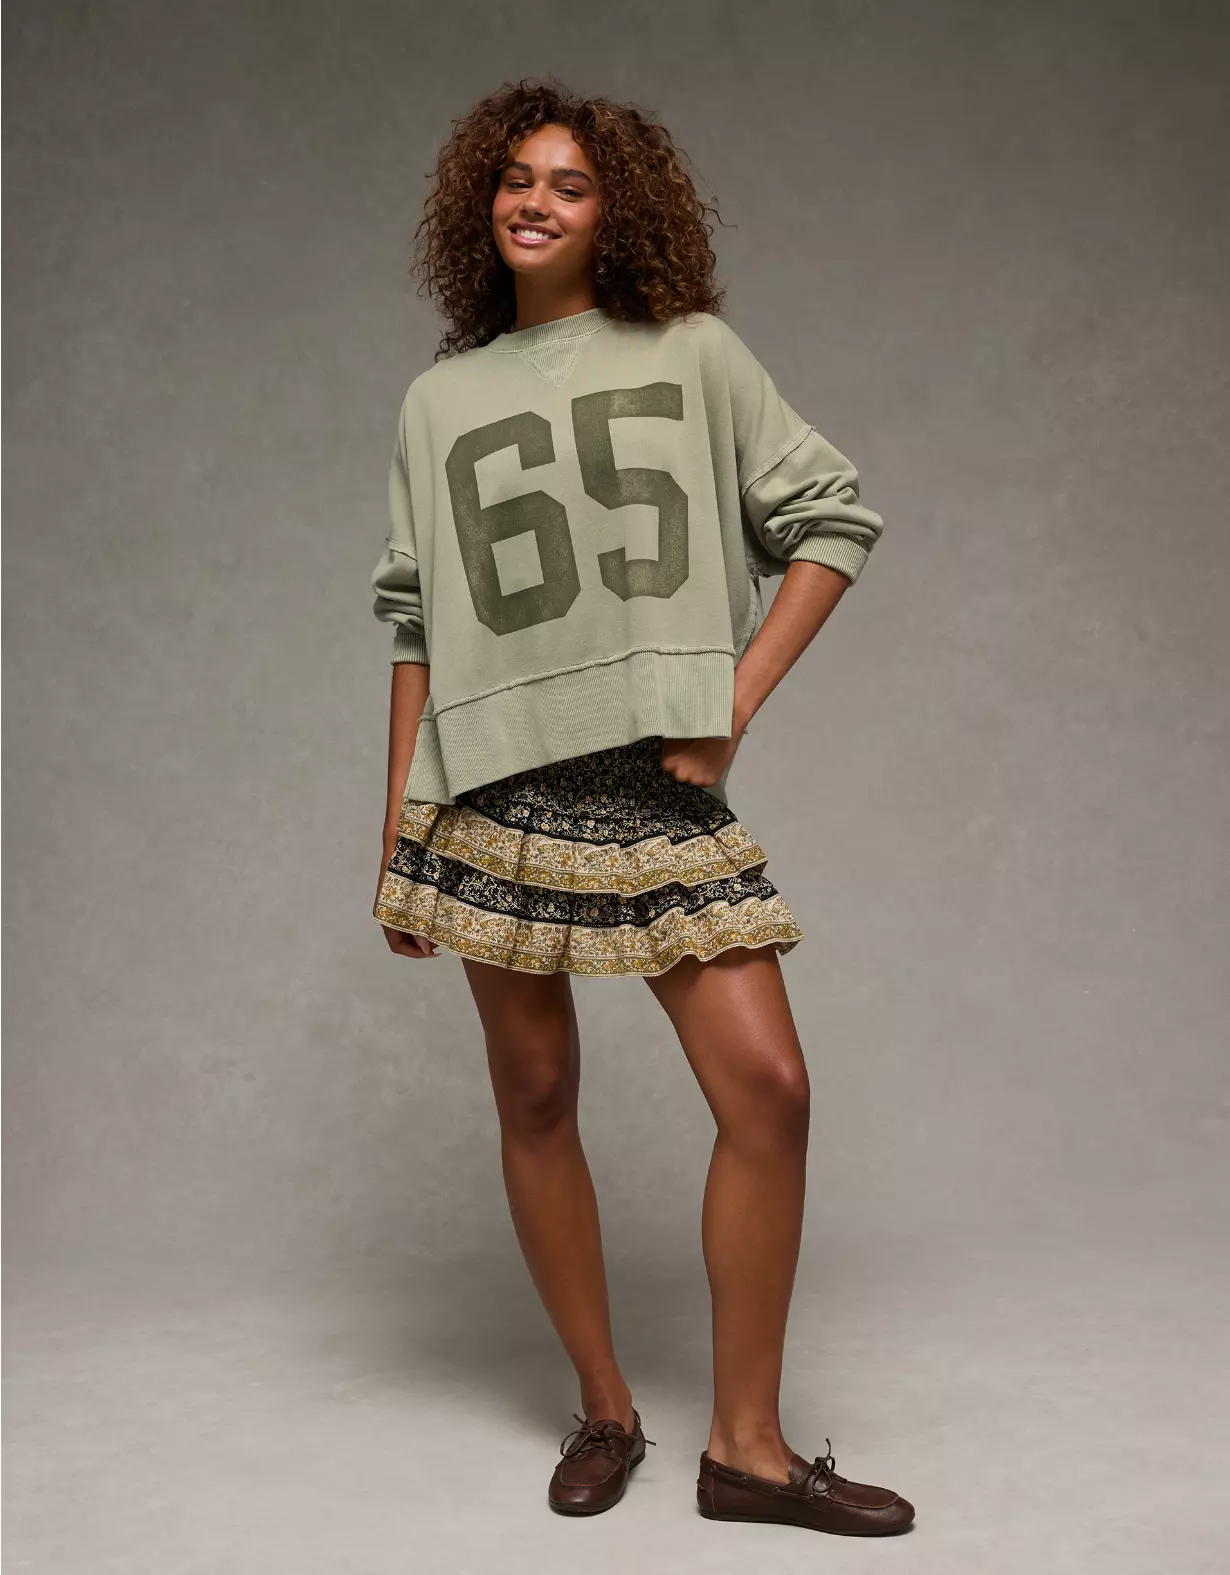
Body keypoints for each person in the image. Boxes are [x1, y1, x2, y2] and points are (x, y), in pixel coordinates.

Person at [370, 77, 914, 1537]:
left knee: (769, 1088)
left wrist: (731, 699)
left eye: (570, 182)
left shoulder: (695, 353)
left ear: (619, 212)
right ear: (480, 203)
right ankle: (606, 1407)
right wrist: (398, 826)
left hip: (650, 786)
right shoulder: (438, 401)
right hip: (486, 787)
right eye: (515, 178)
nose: (535, 201)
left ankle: (747, 1450)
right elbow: (415, 623)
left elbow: (832, 518)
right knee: (537, 1093)